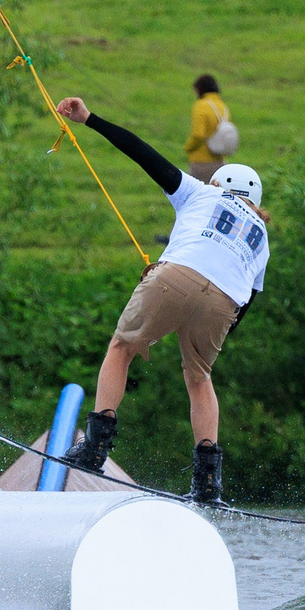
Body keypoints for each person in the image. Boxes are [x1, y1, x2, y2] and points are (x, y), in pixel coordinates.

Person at [51, 94, 269, 505]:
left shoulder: (201, 193)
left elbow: (142, 153)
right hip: (224, 303)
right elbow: (246, 302)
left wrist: (90, 118)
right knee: (200, 378)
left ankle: (95, 450)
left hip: (177, 275)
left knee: (122, 347)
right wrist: (210, 335)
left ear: (218, 184)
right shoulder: (262, 237)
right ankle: (208, 483)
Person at [185, 74, 237, 182]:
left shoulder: (201, 106)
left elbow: (198, 134)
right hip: (220, 161)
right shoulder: (222, 106)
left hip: (201, 161)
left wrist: (188, 147)